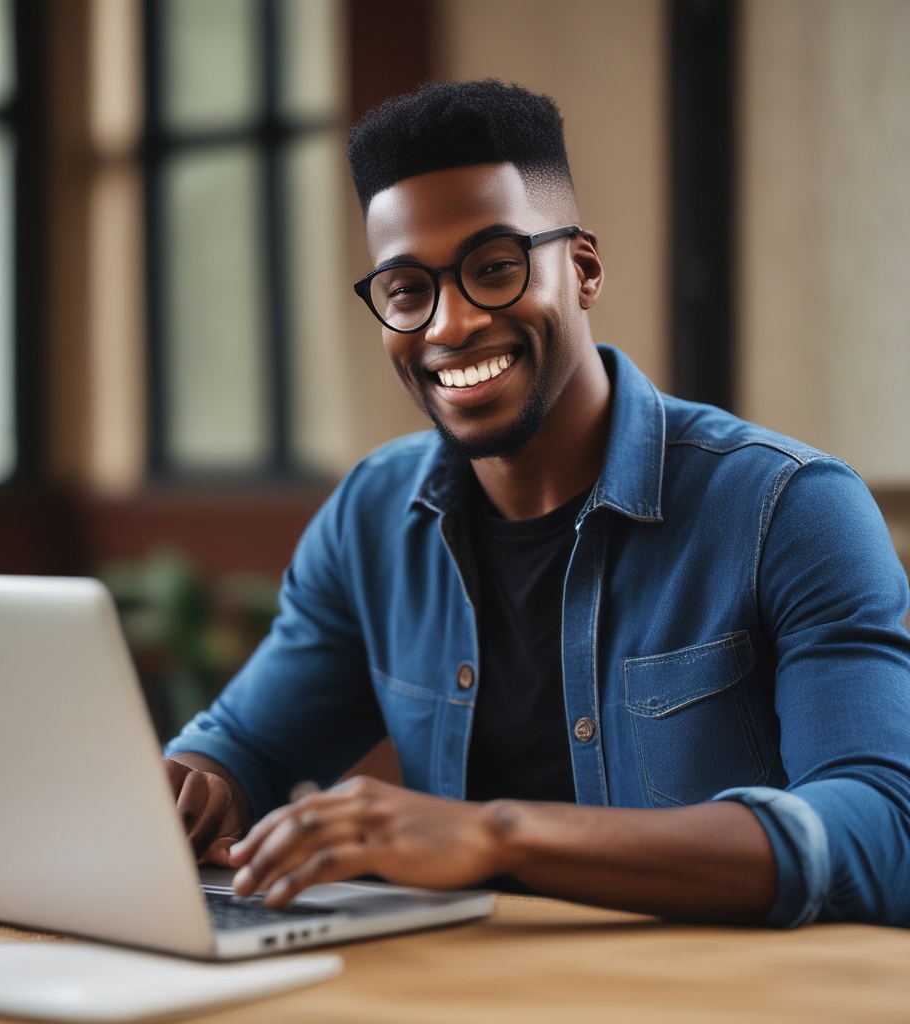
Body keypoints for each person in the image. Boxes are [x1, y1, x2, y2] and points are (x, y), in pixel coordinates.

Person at [163, 79, 910, 928]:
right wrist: (194, 784)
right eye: (408, 289)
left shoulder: (792, 509)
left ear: (583, 268)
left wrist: (503, 836)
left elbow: (884, 827)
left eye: (495, 267)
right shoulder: (371, 517)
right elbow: (246, 748)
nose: (449, 326)